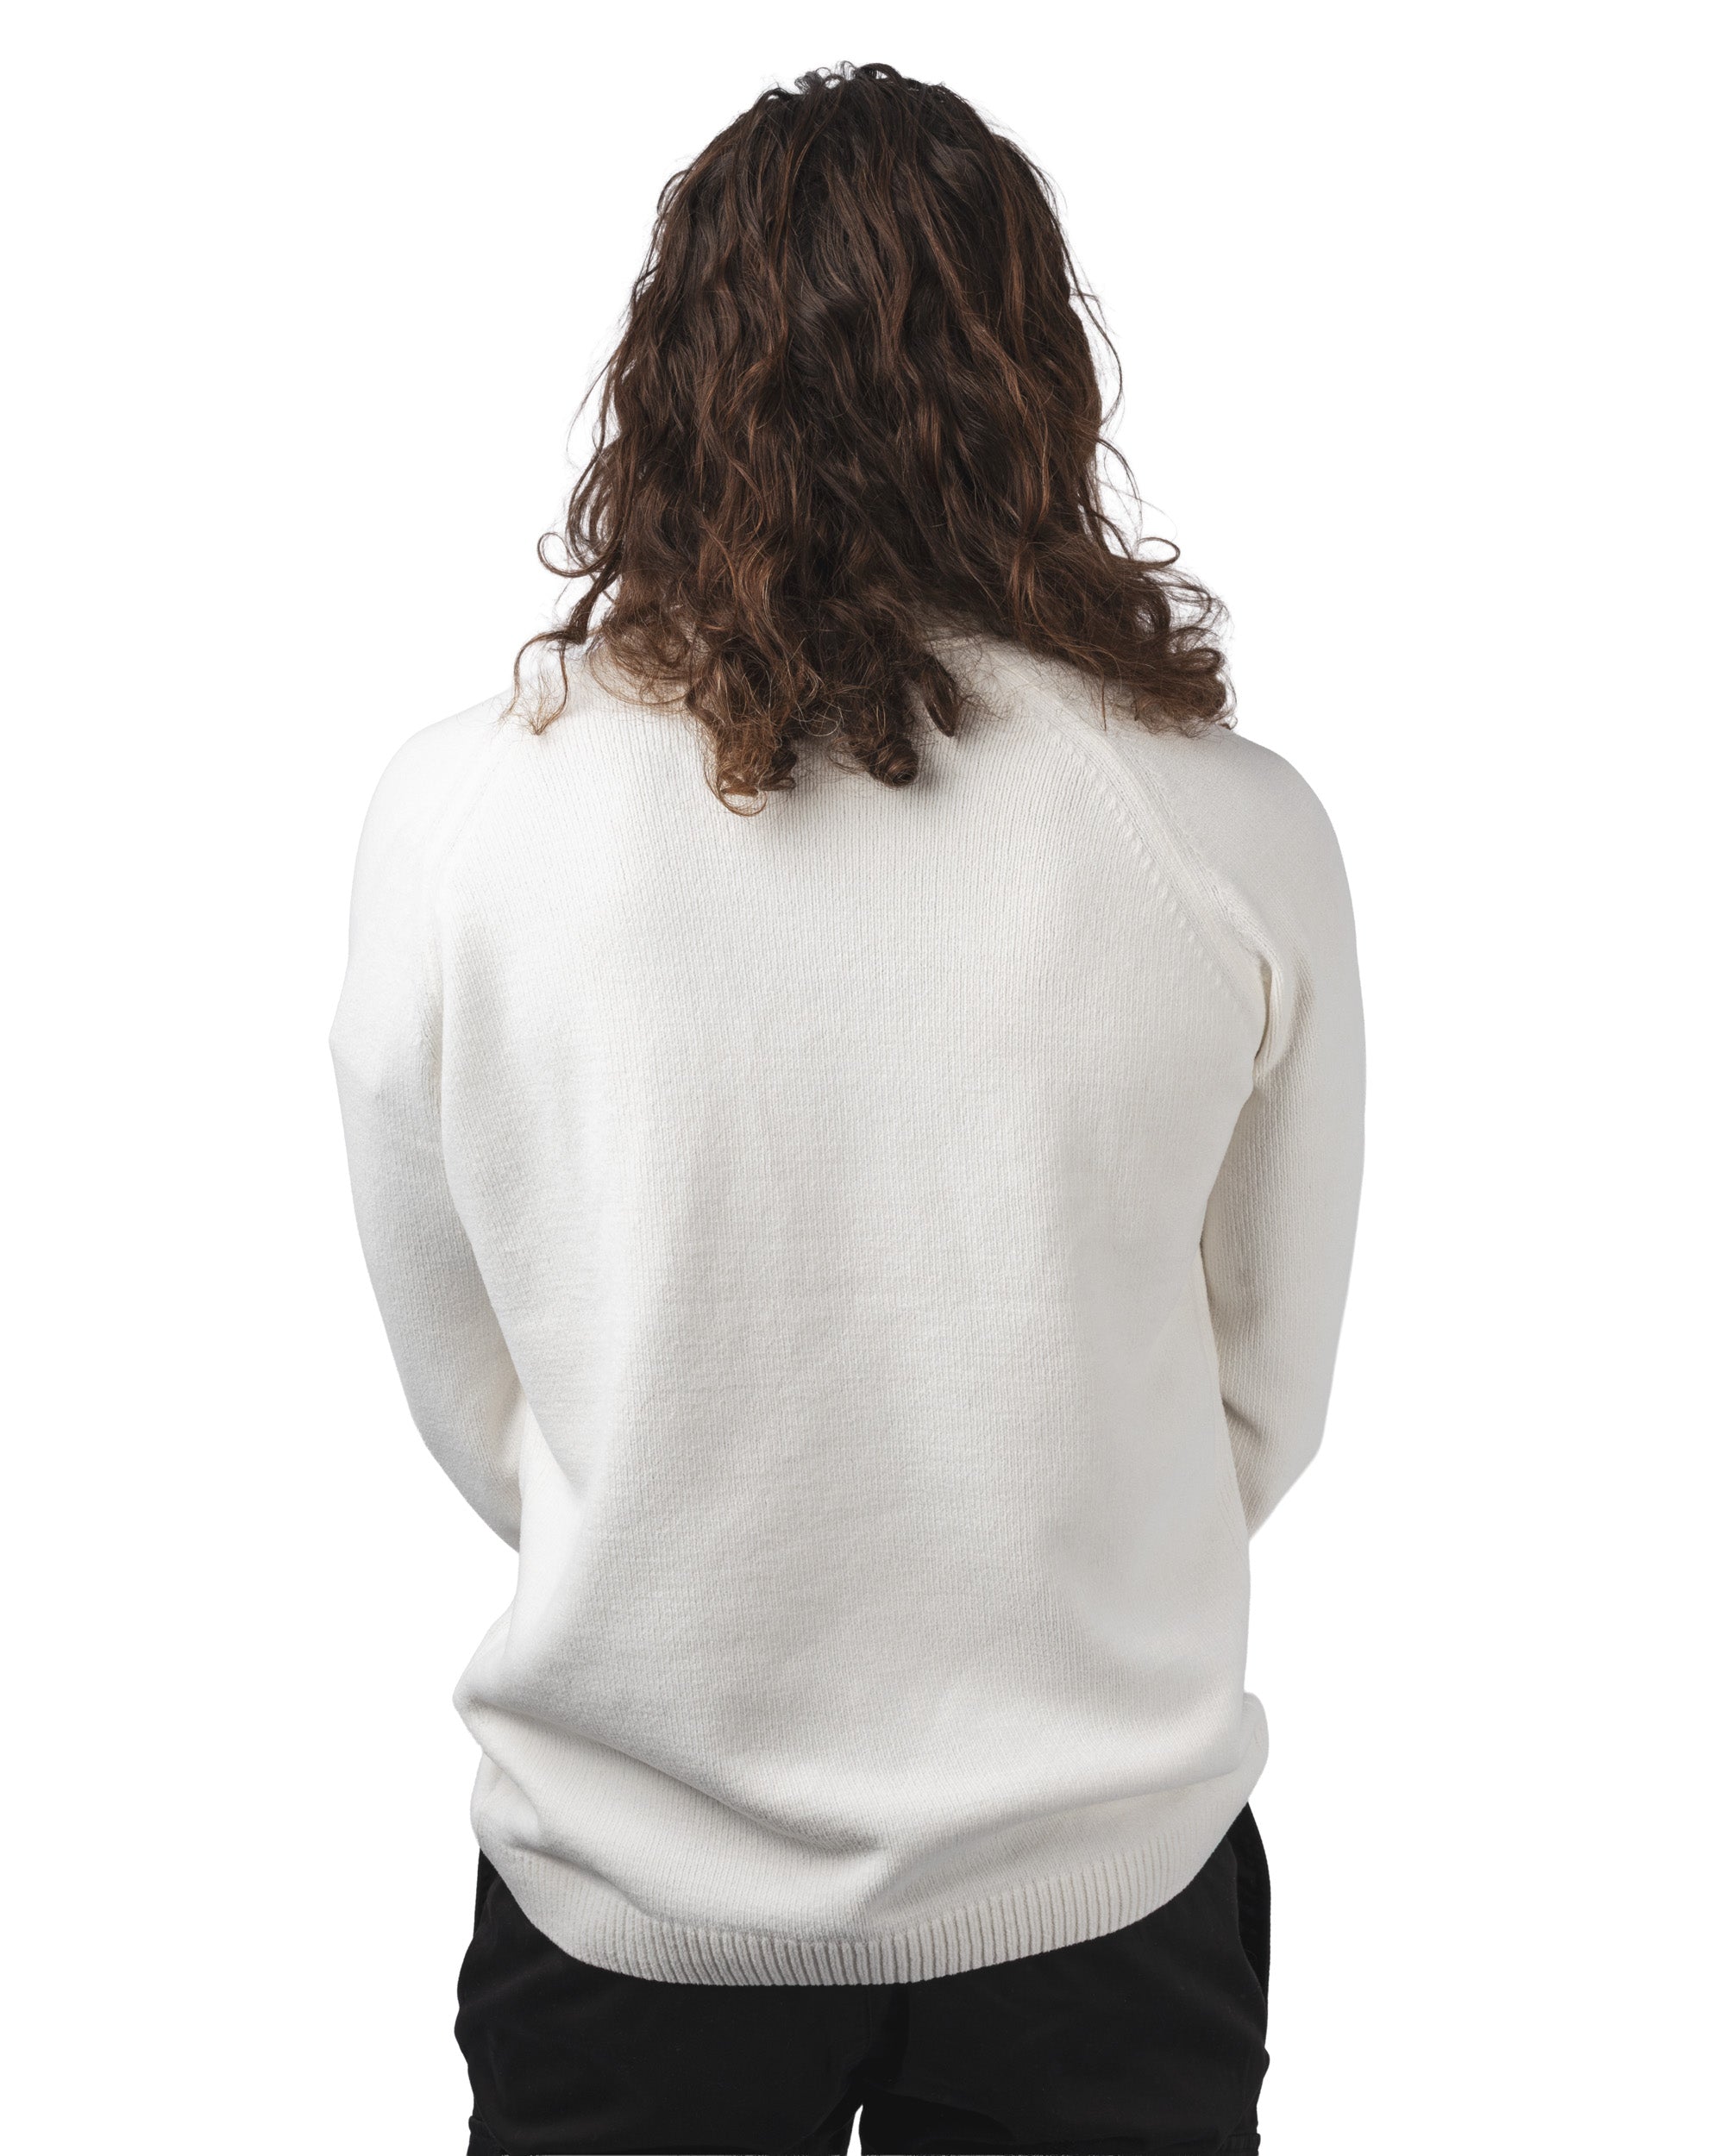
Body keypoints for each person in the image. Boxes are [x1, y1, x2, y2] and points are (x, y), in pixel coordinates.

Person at [331, 60, 1364, 2156]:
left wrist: (680, 1521)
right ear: (1036, 382)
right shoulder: (1228, 828)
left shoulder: (464, 816)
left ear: (668, 372)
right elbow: (1261, 1384)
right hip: (1099, 1875)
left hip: (636, 1873)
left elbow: (474, 1373)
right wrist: (1023, 1541)